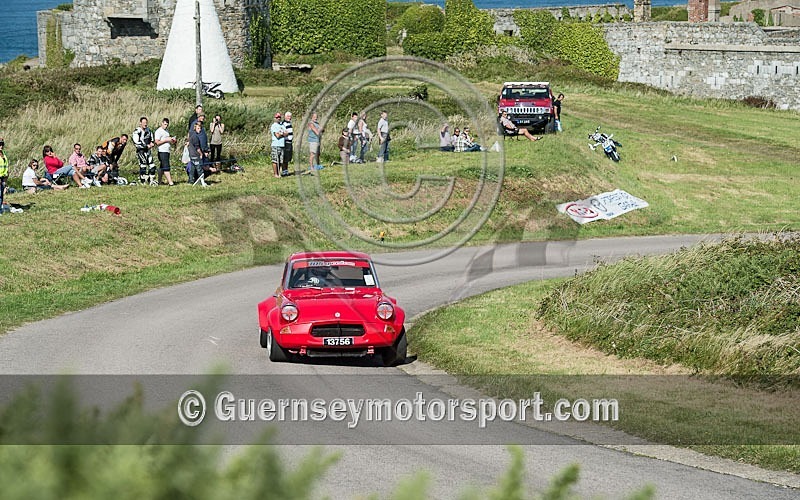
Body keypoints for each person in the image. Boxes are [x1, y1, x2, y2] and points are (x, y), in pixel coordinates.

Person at [132, 116, 157, 185]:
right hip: (141, 151)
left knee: (152, 166)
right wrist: (146, 146)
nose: (145, 124)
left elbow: (152, 139)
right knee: (143, 165)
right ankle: (142, 181)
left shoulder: (148, 130)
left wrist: (152, 143)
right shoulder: (137, 131)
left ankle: (151, 180)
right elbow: (136, 142)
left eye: (146, 123)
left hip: (148, 151)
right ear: (140, 123)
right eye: (143, 123)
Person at [154, 117, 177, 186]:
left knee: (162, 167)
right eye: (164, 124)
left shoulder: (167, 131)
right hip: (162, 151)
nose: (165, 126)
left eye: (167, 125)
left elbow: (168, 140)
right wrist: (166, 140)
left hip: (167, 151)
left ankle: (159, 181)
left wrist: (172, 140)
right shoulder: (158, 131)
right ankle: (170, 182)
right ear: (161, 123)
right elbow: (157, 142)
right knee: (166, 166)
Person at [187, 121, 207, 186]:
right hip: (195, 155)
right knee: (199, 169)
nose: (200, 130)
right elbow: (197, 148)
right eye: (198, 128)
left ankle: (190, 181)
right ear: (195, 128)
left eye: (200, 128)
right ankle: (202, 182)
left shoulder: (192, 135)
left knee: (192, 169)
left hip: (191, 155)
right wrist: (201, 154)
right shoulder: (195, 137)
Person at [270, 112, 286, 178]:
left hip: (282, 144)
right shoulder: (274, 126)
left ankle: (279, 173)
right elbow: (277, 135)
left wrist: (281, 133)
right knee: (275, 160)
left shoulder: (282, 125)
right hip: (275, 144)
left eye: (279, 117)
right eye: (277, 117)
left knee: (280, 160)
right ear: (275, 118)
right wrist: (282, 134)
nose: (278, 118)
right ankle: (275, 174)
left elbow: (287, 133)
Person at [281, 111, 293, 176]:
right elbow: (283, 132)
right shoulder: (283, 123)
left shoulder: (289, 123)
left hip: (290, 142)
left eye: (290, 116)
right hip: (286, 142)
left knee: (288, 157)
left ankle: (286, 170)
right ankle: (283, 171)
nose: (289, 118)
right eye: (288, 116)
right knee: (284, 157)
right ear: (285, 116)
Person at [0, 138, 8, 208]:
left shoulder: (3, 154)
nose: (1, 146)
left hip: (3, 177)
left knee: (2, 194)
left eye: (2, 144)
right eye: (0, 144)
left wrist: (6, 178)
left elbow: (6, 166)